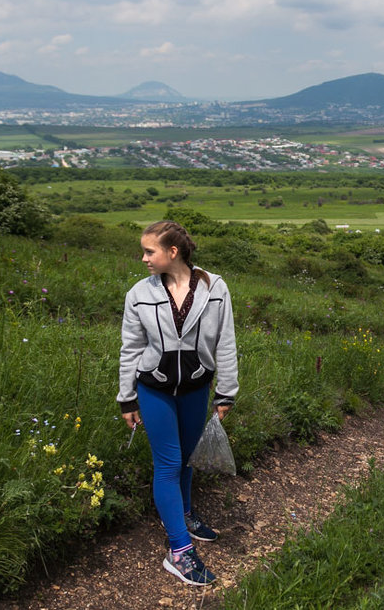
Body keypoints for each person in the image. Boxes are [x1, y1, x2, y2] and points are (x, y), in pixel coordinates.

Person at [118, 220, 239, 586]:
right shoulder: (139, 293)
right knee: (168, 463)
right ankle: (179, 551)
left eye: (149, 251)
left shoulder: (215, 288)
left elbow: (226, 341)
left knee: (188, 456)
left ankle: (184, 513)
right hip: (153, 389)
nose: (143, 258)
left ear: (173, 252)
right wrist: (127, 398)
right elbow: (131, 349)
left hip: (196, 388)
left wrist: (226, 391)